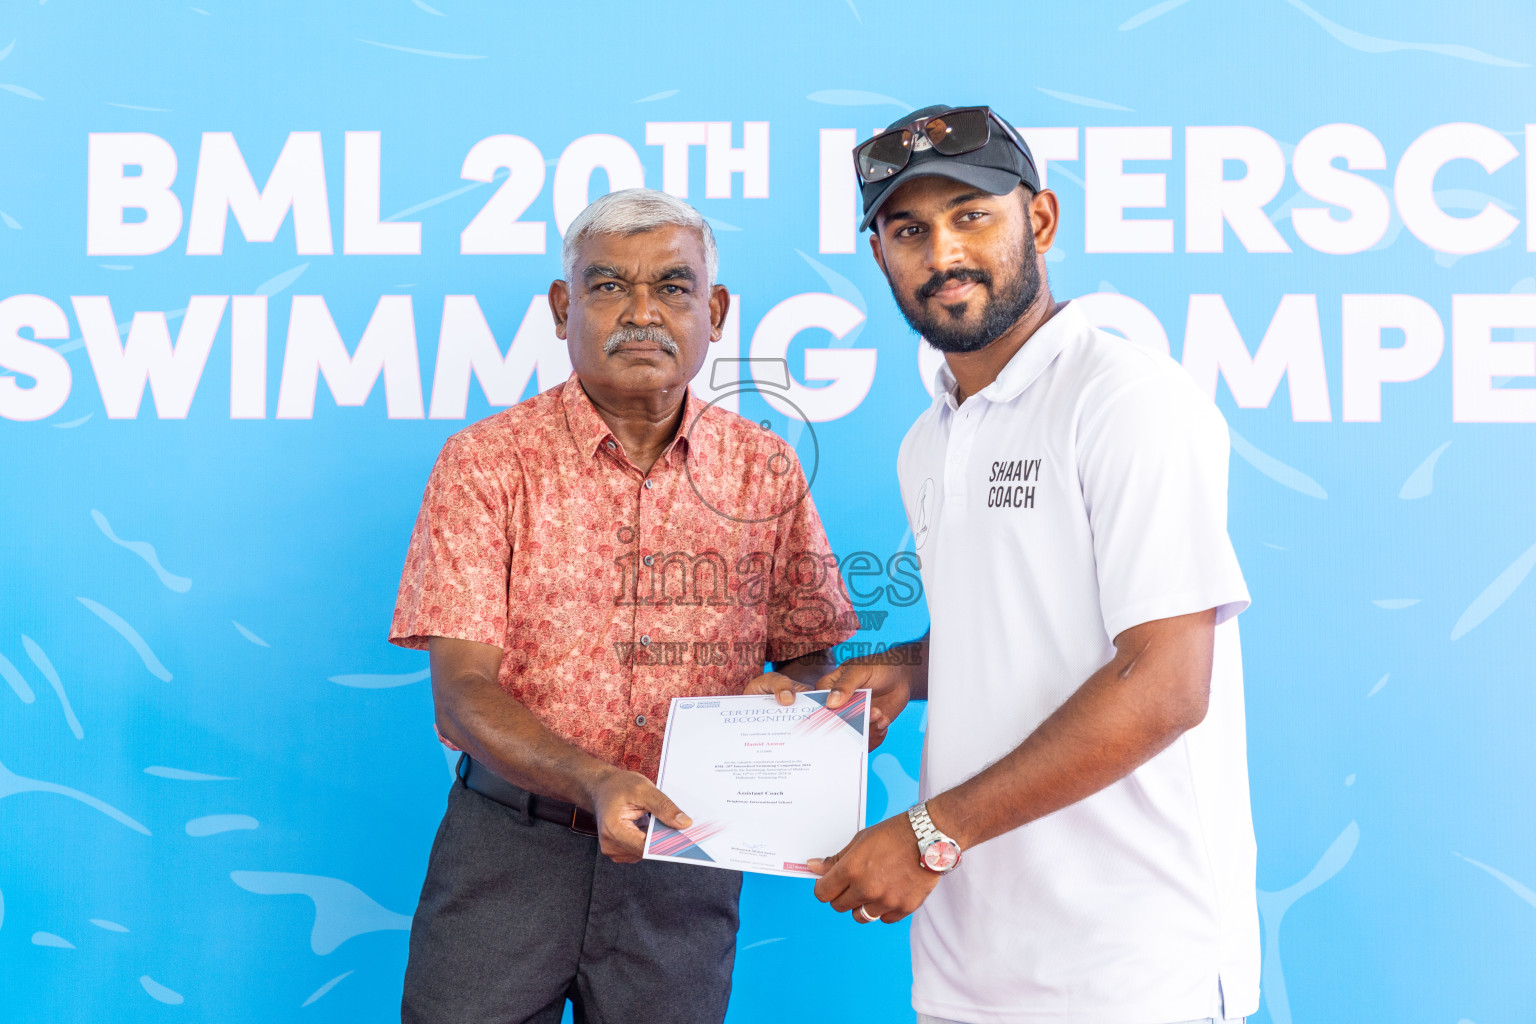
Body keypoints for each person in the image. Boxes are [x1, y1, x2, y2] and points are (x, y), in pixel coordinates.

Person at [751, 105, 1259, 1023]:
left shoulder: (1127, 400)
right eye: (909, 230)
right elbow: (1019, 629)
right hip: (970, 966)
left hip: (1131, 971)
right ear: (880, 257)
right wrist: (897, 672)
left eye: (971, 214)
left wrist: (929, 834)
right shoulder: (928, 439)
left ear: (1042, 221)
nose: (942, 251)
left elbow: (1168, 682)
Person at [390, 188, 857, 1024]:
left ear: (713, 311)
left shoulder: (766, 472)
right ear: (564, 307)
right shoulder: (484, 465)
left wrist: (791, 704)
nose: (642, 312)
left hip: (685, 865)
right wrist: (596, 780)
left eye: (673, 288)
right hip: (507, 854)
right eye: (609, 287)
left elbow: (808, 651)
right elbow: (462, 695)